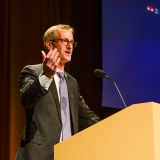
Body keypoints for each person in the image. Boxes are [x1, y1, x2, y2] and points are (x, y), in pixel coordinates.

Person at [15, 24, 101, 160]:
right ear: (49, 45)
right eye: (64, 41)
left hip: (68, 154)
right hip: (40, 154)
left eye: (72, 42)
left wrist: (114, 127)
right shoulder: (33, 71)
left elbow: (86, 116)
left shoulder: (71, 82)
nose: (70, 46)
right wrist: (46, 76)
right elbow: (27, 99)